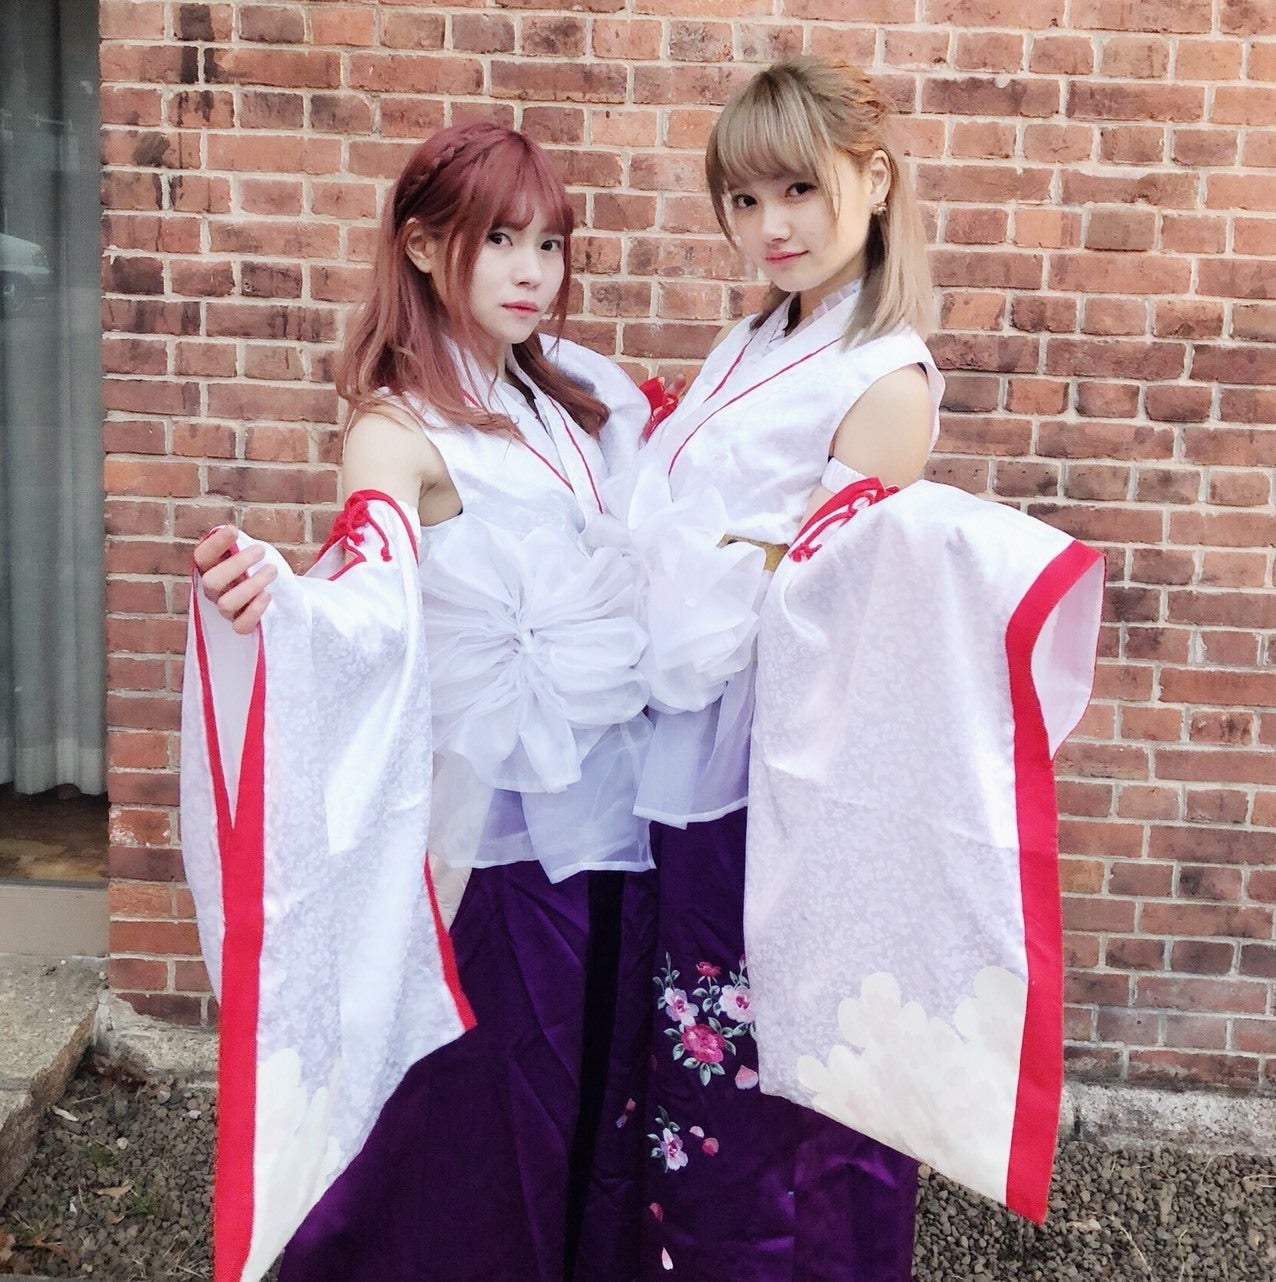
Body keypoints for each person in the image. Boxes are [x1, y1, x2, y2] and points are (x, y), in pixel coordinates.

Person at [186, 122, 659, 1282]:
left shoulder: (569, 399)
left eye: (547, 244)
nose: (529, 271)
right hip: (496, 845)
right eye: (496, 240)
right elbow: (370, 584)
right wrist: (283, 601)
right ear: (416, 243)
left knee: (594, 1094)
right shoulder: (396, 427)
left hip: (610, 814)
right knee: (487, 1123)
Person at [627, 58, 945, 1282]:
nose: (771, 226)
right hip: (689, 739)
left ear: (875, 180)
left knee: (765, 1076)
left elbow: (827, 605)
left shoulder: (883, 375)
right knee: (690, 1056)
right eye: (745, 199)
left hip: (775, 768)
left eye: (799, 190)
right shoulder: (757, 335)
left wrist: (696, 578)